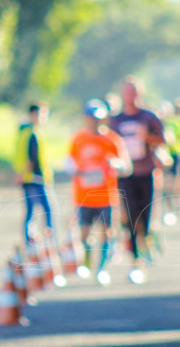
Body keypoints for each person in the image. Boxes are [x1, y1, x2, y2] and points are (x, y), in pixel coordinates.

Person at [67, 99, 131, 286]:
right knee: (84, 234)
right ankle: (87, 262)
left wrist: (116, 164)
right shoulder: (78, 139)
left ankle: (102, 269)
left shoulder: (112, 139)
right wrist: (74, 169)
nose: (93, 122)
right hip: (83, 196)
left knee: (106, 233)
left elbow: (126, 166)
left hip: (106, 196)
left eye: (97, 118)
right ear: (85, 119)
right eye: (90, 118)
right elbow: (69, 161)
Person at [109, 78, 165, 284]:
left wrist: (147, 138)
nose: (130, 95)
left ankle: (147, 239)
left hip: (146, 172)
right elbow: (108, 143)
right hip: (125, 175)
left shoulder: (148, 117)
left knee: (146, 214)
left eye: (134, 92)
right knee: (131, 216)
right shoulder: (115, 120)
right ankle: (135, 259)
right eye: (127, 92)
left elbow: (162, 140)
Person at [13, 103, 53, 243]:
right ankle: (48, 236)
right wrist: (22, 174)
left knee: (30, 210)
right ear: (34, 114)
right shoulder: (33, 134)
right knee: (47, 209)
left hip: (27, 177)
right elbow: (31, 158)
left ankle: (30, 238)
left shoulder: (24, 132)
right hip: (34, 178)